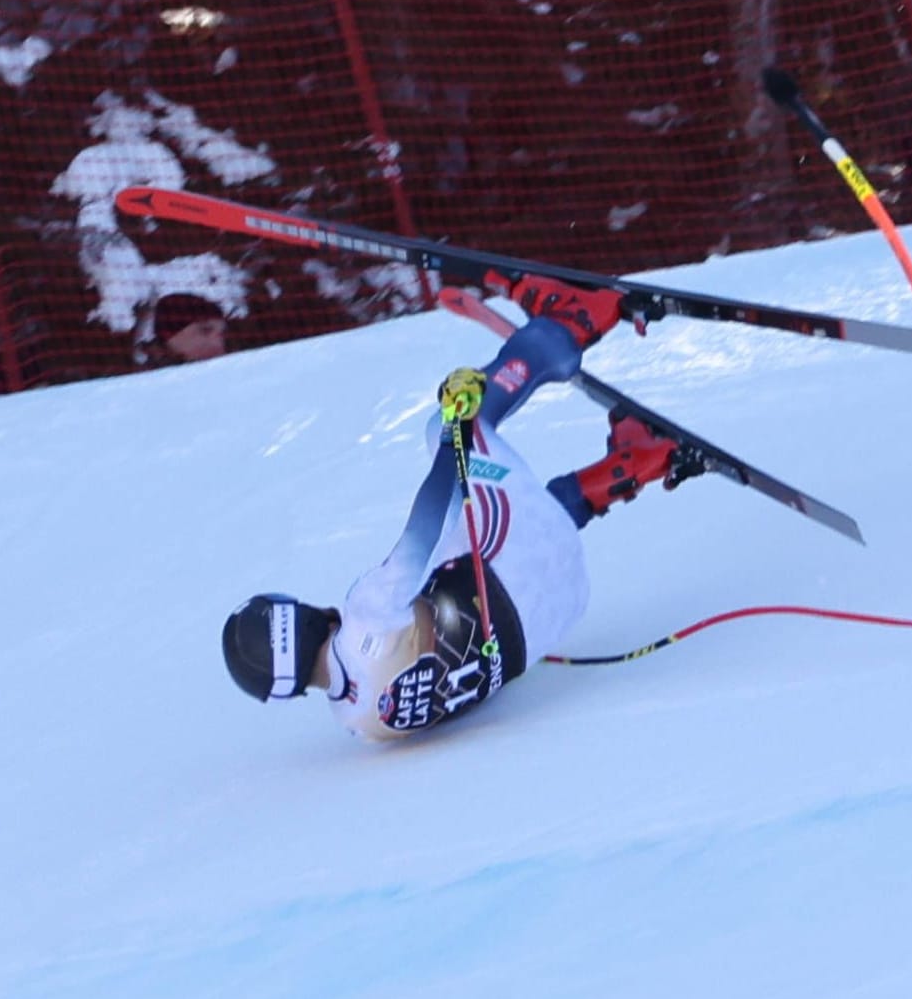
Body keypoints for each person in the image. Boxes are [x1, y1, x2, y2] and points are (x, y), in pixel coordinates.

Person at [220, 275, 702, 740]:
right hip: (518, 564)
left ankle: (628, 466)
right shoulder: (367, 613)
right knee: (444, 435)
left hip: (554, 616)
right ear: (298, 619)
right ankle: (566, 324)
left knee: (474, 548)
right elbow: (432, 519)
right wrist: (458, 420)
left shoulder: (357, 721)